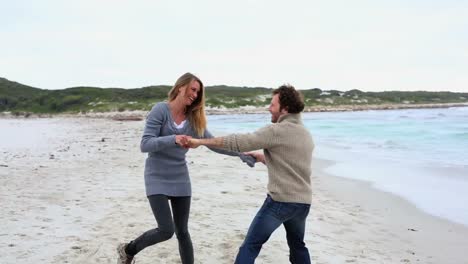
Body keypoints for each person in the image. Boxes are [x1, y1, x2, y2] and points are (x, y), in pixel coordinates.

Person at [116, 72, 255, 264]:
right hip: (156, 176)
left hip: (180, 178)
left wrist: (241, 154)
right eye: (193, 89)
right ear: (180, 87)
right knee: (166, 230)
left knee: (183, 231)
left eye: (198, 92)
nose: (195, 95)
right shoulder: (160, 110)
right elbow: (145, 144)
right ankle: (128, 249)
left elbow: (212, 143)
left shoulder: (193, 119)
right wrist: (173, 139)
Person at [187, 84, 314, 264]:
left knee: (251, 246)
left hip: (280, 202)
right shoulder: (305, 133)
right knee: (298, 246)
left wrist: (200, 141)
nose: (269, 108)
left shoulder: (276, 131)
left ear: (285, 109)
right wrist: (263, 157)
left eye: (273, 104)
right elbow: (292, 163)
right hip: (302, 204)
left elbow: (240, 142)